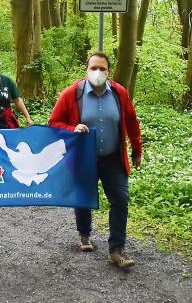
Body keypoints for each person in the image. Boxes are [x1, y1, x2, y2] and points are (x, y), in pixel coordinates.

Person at [48, 52, 142, 267]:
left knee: (120, 199)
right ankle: (84, 234)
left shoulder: (119, 93)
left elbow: (131, 121)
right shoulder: (72, 93)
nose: (98, 72)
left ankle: (117, 249)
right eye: (94, 68)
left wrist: (137, 149)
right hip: (83, 158)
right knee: (83, 197)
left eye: (102, 68)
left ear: (109, 71)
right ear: (86, 70)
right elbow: (53, 122)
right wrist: (72, 128)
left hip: (113, 157)